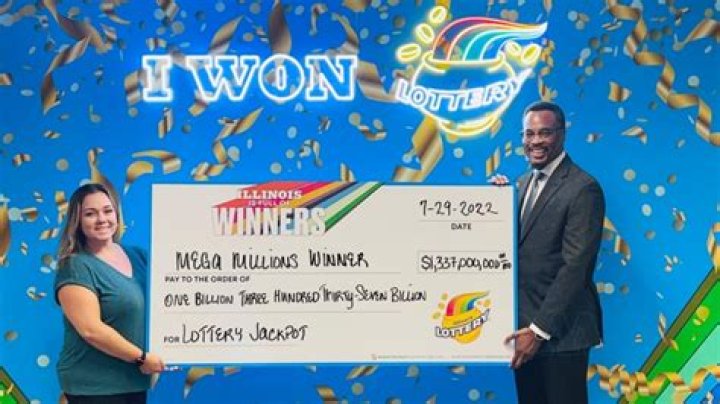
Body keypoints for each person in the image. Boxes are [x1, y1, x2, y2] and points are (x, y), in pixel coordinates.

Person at [494, 101, 605, 404]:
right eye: (529, 134)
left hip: (560, 335)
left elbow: (576, 267)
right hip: (524, 332)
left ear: (562, 134)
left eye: (545, 133)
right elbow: (512, 252)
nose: (536, 141)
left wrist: (539, 331)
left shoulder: (583, 188)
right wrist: (493, 205)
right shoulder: (521, 184)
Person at [54, 183, 164, 404]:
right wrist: (141, 358)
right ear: (77, 221)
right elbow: (91, 330)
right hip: (95, 387)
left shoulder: (139, 257)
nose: (101, 219)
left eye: (107, 210)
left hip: (134, 381)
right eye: (90, 214)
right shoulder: (75, 266)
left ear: (117, 214)